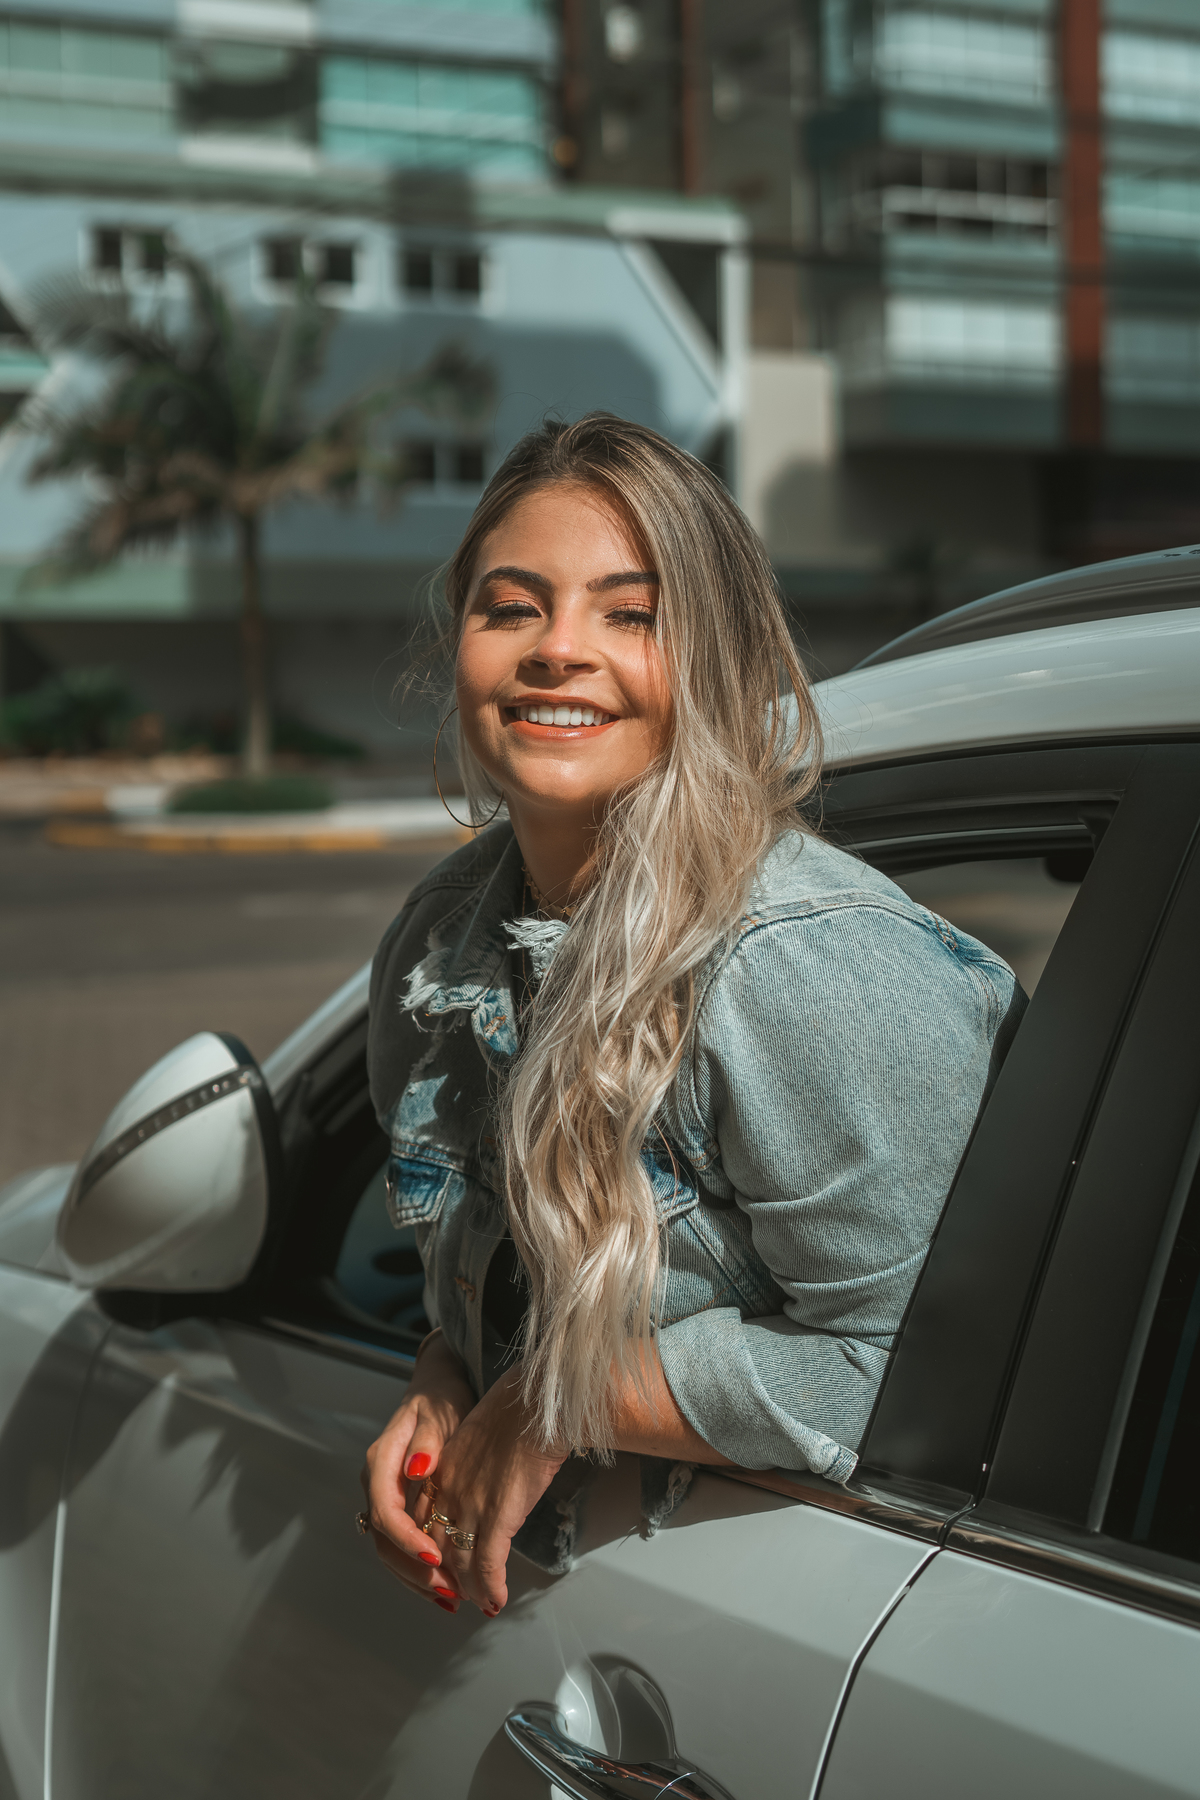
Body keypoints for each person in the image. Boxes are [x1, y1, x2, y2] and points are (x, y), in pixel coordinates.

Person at [362, 413, 1024, 1621]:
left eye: (631, 614)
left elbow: (903, 1373)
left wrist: (566, 1395)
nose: (558, 650)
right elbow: (477, 1263)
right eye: (512, 607)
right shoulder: (436, 942)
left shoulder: (801, 969)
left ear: (712, 657)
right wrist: (445, 1378)